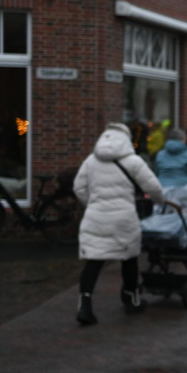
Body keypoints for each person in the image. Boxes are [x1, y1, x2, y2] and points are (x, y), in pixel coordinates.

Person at [72, 123, 165, 325]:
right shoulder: (133, 161)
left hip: (96, 217)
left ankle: (85, 306)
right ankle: (130, 299)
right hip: (124, 218)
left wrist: (93, 204)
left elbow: (78, 188)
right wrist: (160, 201)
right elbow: (154, 187)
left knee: (94, 260)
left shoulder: (91, 161)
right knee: (129, 257)